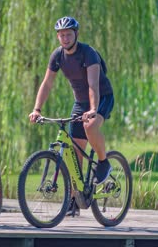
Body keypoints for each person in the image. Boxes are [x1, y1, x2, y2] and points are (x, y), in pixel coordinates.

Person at [28, 16, 114, 216]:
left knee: (90, 126)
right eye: (61, 35)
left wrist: (93, 109)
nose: (65, 38)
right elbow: (47, 83)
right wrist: (37, 109)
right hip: (80, 103)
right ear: (58, 37)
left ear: (76, 34)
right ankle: (75, 200)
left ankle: (103, 162)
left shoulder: (88, 53)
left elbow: (93, 85)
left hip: (102, 98)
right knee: (74, 152)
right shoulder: (57, 56)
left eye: (68, 34)